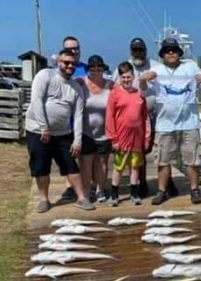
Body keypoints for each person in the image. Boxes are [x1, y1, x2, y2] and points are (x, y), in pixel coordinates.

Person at [140, 38, 201, 205]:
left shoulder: (191, 66)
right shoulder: (156, 70)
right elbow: (142, 89)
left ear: (179, 52)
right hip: (165, 124)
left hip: (190, 123)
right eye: (167, 50)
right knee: (163, 160)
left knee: (192, 160)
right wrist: (144, 79)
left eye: (173, 49)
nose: (170, 52)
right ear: (162, 54)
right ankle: (162, 191)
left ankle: (194, 190)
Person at [25, 48, 94, 213]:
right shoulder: (45, 75)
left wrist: (77, 140)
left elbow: (78, 116)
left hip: (63, 133)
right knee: (41, 166)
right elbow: (37, 101)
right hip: (37, 131)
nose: (70, 66)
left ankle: (82, 197)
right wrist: (44, 127)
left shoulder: (76, 87)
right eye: (66, 62)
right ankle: (44, 199)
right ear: (58, 62)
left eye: (73, 63)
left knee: (71, 165)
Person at [115, 37, 178, 199]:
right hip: (136, 117)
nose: (138, 53)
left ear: (146, 51)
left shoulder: (156, 67)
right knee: (139, 151)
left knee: (163, 148)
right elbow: (115, 90)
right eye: (135, 50)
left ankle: (168, 181)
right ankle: (141, 183)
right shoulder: (123, 68)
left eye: (141, 50)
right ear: (130, 51)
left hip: (158, 114)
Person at [105, 61, 150, 206]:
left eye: (129, 77)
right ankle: (114, 194)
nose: (126, 80)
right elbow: (109, 117)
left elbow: (144, 117)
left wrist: (146, 138)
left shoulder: (139, 94)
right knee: (119, 167)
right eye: (123, 77)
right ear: (119, 77)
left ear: (133, 77)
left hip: (137, 137)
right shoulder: (114, 94)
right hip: (121, 137)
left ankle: (134, 193)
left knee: (135, 167)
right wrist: (113, 138)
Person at [79, 55, 113, 203]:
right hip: (86, 132)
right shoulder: (81, 82)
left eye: (99, 69)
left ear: (103, 70)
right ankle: (87, 190)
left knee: (102, 162)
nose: (96, 72)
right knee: (86, 162)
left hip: (104, 132)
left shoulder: (111, 85)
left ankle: (100, 189)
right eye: (92, 69)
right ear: (88, 70)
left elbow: (127, 91)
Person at [60, 36, 88, 202]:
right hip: (64, 119)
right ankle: (69, 186)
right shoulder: (61, 67)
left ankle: (85, 185)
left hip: (83, 118)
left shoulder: (86, 68)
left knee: (84, 155)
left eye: (76, 48)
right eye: (70, 49)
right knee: (67, 155)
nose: (74, 51)